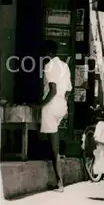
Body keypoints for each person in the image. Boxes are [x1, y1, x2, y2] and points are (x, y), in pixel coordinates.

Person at [37, 40, 72, 193]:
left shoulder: (49, 65)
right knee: (53, 140)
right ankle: (59, 180)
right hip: (62, 105)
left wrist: (40, 105)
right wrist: (62, 103)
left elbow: (52, 89)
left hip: (51, 107)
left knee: (54, 149)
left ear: (48, 53)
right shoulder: (64, 65)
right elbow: (68, 91)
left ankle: (60, 184)